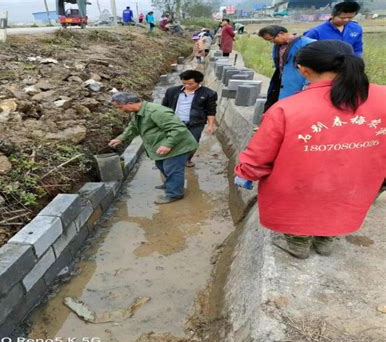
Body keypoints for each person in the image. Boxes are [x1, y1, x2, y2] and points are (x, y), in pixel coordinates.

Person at [234, 40, 385, 259]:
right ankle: (325, 242)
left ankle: (298, 244)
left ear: (304, 70)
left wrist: (245, 173)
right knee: (340, 209)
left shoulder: (287, 109)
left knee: (298, 214)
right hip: (356, 180)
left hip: (302, 184)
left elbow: (260, 154)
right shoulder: (383, 97)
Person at [109, 92, 198, 204]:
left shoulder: (156, 112)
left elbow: (178, 129)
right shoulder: (136, 112)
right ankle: (169, 184)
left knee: (172, 170)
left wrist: (168, 145)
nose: (121, 110)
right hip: (161, 145)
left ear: (130, 103)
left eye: (120, 107)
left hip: (177, 145)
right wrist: (121, 138)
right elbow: (133, 127)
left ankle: (175, 194)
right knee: (161, 165)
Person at [162, 70, 217, 167]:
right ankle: (171, 160)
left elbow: (211, 111)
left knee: (193, 143)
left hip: (195, 123)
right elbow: (164, 107)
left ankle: (187, 159)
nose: (187, 86)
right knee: (171, 141)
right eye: (184, 83)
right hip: (175, 122)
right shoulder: (172, 91)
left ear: (198, 82)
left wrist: (210, 125)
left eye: (190, 84)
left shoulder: (208, 94)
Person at [258, 25, 315, 112]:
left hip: (298, 83)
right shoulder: (278, 46)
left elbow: (315, 66)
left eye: (272, 39)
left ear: (281, 34)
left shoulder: (307, 43)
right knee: (273, 108)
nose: (272, 42)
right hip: (280, 82)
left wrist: (307, 84)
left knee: (293, 109)